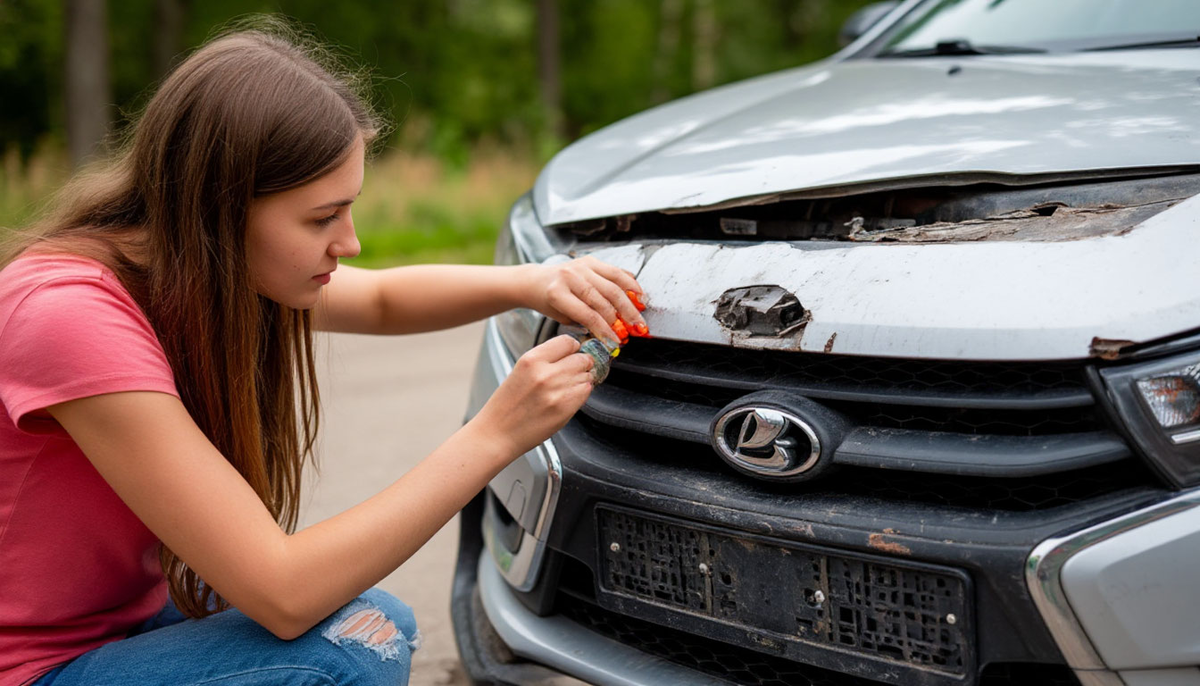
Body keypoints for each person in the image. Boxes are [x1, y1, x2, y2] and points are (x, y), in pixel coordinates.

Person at [0, 22, 647, 686]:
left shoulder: (202, 273)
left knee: (374, 623)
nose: (351, 241)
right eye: (321, 218)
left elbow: (384, 299)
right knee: (341, 657)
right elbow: (284, 593)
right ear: (218, 210)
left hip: (124, 621)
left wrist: (537, 282)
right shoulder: (67, 315)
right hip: (33, 666)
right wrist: (498, 433)